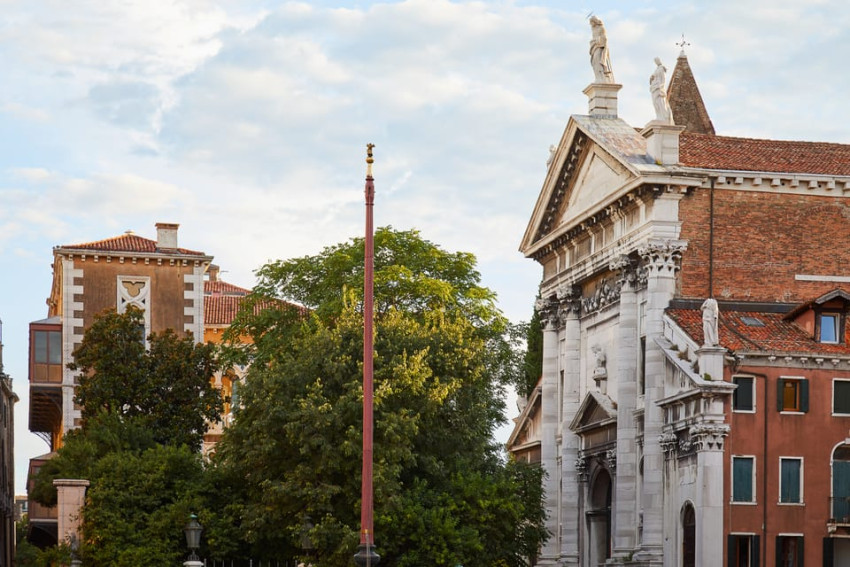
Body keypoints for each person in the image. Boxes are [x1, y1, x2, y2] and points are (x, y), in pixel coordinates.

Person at [589, 16, 614, 83]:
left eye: (591, 22)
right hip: (594, 47)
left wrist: (598, 40)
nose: (590, 24)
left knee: (598, 60)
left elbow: (605, 38)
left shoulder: (601, 28)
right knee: (594, 62)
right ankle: (598, 77)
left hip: (600, 47)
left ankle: (602, 77)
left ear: (594, 21)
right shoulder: (593, 30)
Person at [650, 57, 673, 123]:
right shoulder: (657, 69)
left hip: (659, 87)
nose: (656, 62)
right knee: (655, 102)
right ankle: (659, 116)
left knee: (660, 101)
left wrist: (661, 86)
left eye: (656, 60)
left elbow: (663, 78)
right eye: (655, 61)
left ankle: (664, 117)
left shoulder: (661, 68)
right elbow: (654, 77)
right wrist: (652, 78)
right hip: (654, 87)